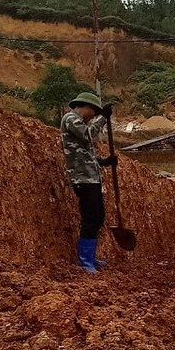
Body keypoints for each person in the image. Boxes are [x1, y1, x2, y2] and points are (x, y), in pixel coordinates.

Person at [61, 91, 115, 273]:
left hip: (92, 177)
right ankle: (84, 262)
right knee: (90, 219)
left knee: (98, 217)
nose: (94, 117)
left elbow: (86, 155)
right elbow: (89, 135)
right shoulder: (70, 119)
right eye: (94, 113)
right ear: (87, 107)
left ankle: (90, 257)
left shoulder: (80, 123)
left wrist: (104, 162)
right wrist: (104, 119)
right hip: (82, 179)